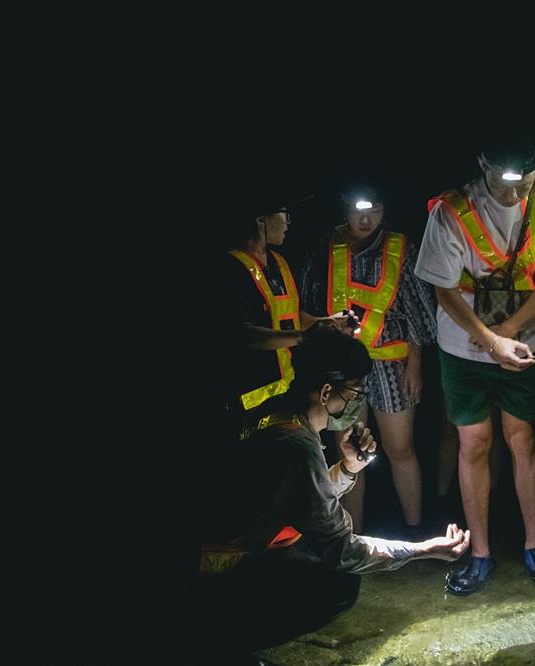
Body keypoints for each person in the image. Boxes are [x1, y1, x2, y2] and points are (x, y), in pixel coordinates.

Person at [193, 326, 469, 659]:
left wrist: (349, 467)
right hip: (213, 570)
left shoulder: (279, 413)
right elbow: (343, 549)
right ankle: (222, 644)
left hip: (214, 549)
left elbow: (303, 496)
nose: (357, 402)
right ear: (326, 392)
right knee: (337, 581)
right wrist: (424, 549)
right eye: (355, 392)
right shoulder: (297, 446)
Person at [415, 133, 535, 595]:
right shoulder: (451, 210)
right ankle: (481, 553)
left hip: (525, 341)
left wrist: (508, 332)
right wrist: (489, 342)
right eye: (502, 183)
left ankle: (534, 546)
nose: (513, 194)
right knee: (473, 442)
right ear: (482, 164)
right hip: (462, 346)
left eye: (522, 183)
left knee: (522, 438)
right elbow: (444, 290)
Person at [298, 183, 438, 537]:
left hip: (391, 364)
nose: (366, 219)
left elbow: (418, 311)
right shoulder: (324, 247)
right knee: (350, 453)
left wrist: (415, 364)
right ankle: (351, 536)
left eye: (374, 210)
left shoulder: (400, 247)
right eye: (358, 210)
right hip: (341, 370)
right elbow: (304, 308)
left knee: (400, 449)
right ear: (344, 207)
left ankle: (415, 532)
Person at [218, 197, 358, 440]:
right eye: (284, 214)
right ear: (261, 218)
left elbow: (292, 316)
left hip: (287, 395)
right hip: (248, 404)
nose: (288, 222)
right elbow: (242, 334)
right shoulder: (231, 268)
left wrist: (329, 322)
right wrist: (303, 337)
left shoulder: (279, 263)